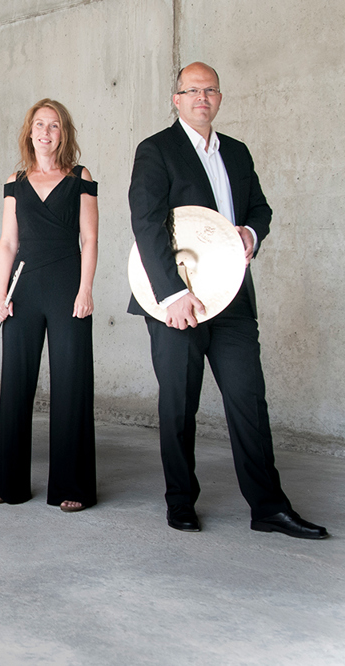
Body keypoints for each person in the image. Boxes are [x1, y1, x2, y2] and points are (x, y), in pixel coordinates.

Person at [128, 62, 327, 538]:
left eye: (210, 89)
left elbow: (261, 208)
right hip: (177, 302)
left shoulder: (236, 152)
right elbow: (147, 222)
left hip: (232, 298)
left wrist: (250, 234)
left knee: (248, 401)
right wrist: (172, 294)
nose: (202, 97)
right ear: (176, 99)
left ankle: (268, 507)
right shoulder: (156, 150)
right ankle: (180, 502)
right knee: (179, 404)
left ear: (219, 98)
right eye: (192, 90)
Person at [0, 99, 99, 511]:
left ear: (63, 132)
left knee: (71, 384)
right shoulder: (15, 180)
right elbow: (7, 243)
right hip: (24, 288)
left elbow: (89, 239)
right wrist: (0, 295)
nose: (46, 132)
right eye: (39, 124)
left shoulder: (81, 177)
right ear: (29, 131)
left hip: (68, 285)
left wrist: (86, 289)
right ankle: (9, 483)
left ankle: (72, 487)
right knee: (16, 383)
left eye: (53, 125)